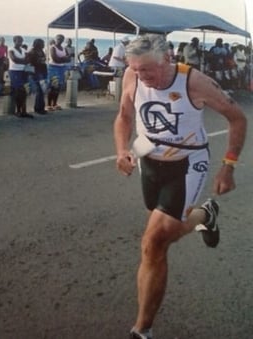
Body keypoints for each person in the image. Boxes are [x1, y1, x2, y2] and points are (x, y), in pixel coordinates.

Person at [113, 34, 246, 339]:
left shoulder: (195, 82)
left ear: (168, 59)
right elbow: (123, 115)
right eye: (136, 70)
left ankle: (142, 330)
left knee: (153, 243)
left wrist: (228, 166)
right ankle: (204, 215)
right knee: (161, 235)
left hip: (187, 163)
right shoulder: (132, 75)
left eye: (148, 70)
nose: (142, 77)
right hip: (150, 159)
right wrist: (121, 150)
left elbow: (237, 119)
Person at [8, 35, 32, 118]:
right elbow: (14, 60)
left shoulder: (23, 50)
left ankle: (24, 110)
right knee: (18, 91)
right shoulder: (11, 50)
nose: (20, 43)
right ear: (14, 41)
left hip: (23, 71)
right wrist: (24, 61)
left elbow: (28, 59)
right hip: (14, 72)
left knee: (25, 90)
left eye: (21, 41)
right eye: (18, 41)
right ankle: (18, 110)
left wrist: (22, 61)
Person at [47, 34, 71, 110]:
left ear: (63, 40)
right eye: (58, 39)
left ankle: (55, 103)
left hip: (61, 68)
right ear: (55, 39)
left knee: (58, 87)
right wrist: (64, 58)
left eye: (61, 39)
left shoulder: (64, 48)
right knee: (53, 86)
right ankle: (48, 104)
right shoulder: (52, 48)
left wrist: (61, 58)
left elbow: (69, 59)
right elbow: (55, 59)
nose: (59, 40)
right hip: (53, 68)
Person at [27, 38, 48, 114]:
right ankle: (38, 108)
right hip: (35, 73)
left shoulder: (41, 51)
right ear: (38, 44)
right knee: (39, 90)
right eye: (42, 43)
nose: (44, 45)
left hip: (41, 71)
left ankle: (40, 107)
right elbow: (30, 63)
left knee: (42, 90)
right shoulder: (32, 52)